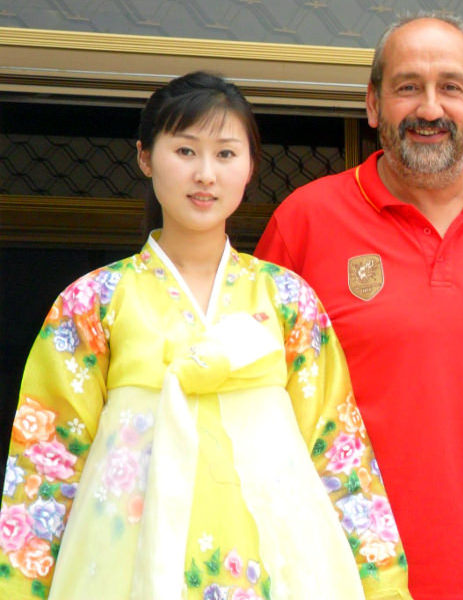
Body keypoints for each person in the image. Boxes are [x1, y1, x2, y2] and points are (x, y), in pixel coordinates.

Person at [0, 71, 410, 600]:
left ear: (250, 167)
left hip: (276, 572)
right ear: (146, 158)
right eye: (186, 151)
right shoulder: (92, 303)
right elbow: (45, 465)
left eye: (225, 154)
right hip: (123, 568)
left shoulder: (287, 301)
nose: (205, 175)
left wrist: (383, 586)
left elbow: (339, 452)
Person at [255, 13, 463, 600]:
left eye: (450, 87)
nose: (430, 108)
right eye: (408, 86)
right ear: (373, 104)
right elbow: (249, 398)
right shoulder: (305, 220)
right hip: (334, 571)